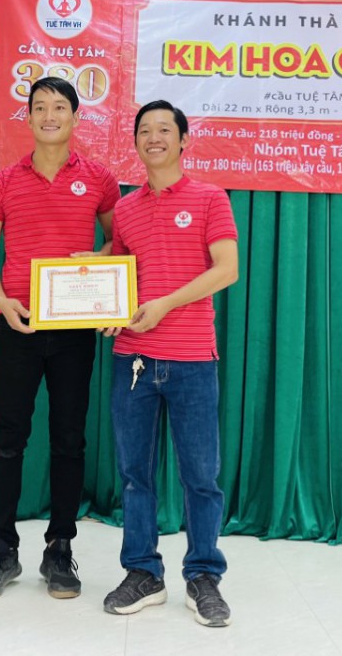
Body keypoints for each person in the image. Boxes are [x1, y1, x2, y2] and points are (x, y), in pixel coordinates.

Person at [0, 77, 120, 600]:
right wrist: (2, 302)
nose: (50, 115)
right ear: (28, 117)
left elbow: (119, 240)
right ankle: (0, 549)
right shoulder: (2, 183)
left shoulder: (100, 179)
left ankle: (60, 548)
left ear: (76, 118)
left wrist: (100, 258)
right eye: (40, 107)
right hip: (19, 324)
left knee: (69, 439)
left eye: (60, 107)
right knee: (7, 439)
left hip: (74, 328)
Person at [100, 100, 239, 628]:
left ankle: (203, 576)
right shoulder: (126, 208)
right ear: (135, 141)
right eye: (144, 130)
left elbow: (227, 269)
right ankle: (143, 572)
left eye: (164, 129)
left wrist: (165, 304)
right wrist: (99, 295)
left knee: (201, 477)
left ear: (183, 140)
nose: (153, 137)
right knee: (134, 475)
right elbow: (121, 273)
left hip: (192, 360)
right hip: (132, 359)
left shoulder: (210, 198)